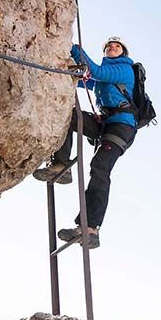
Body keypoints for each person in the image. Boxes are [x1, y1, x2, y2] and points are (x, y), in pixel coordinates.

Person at [33, 36, 137, 248]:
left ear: (123, 52)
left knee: (100, 168)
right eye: (109, 46)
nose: (112, 48)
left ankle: (90, 228)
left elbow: (96, 73)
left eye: (117, 46)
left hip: (121, 126)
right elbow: (85, 79)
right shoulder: (105, 76)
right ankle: (61, 164)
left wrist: (74, 49)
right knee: (69, 115)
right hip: (105, 124)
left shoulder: (124, 69)